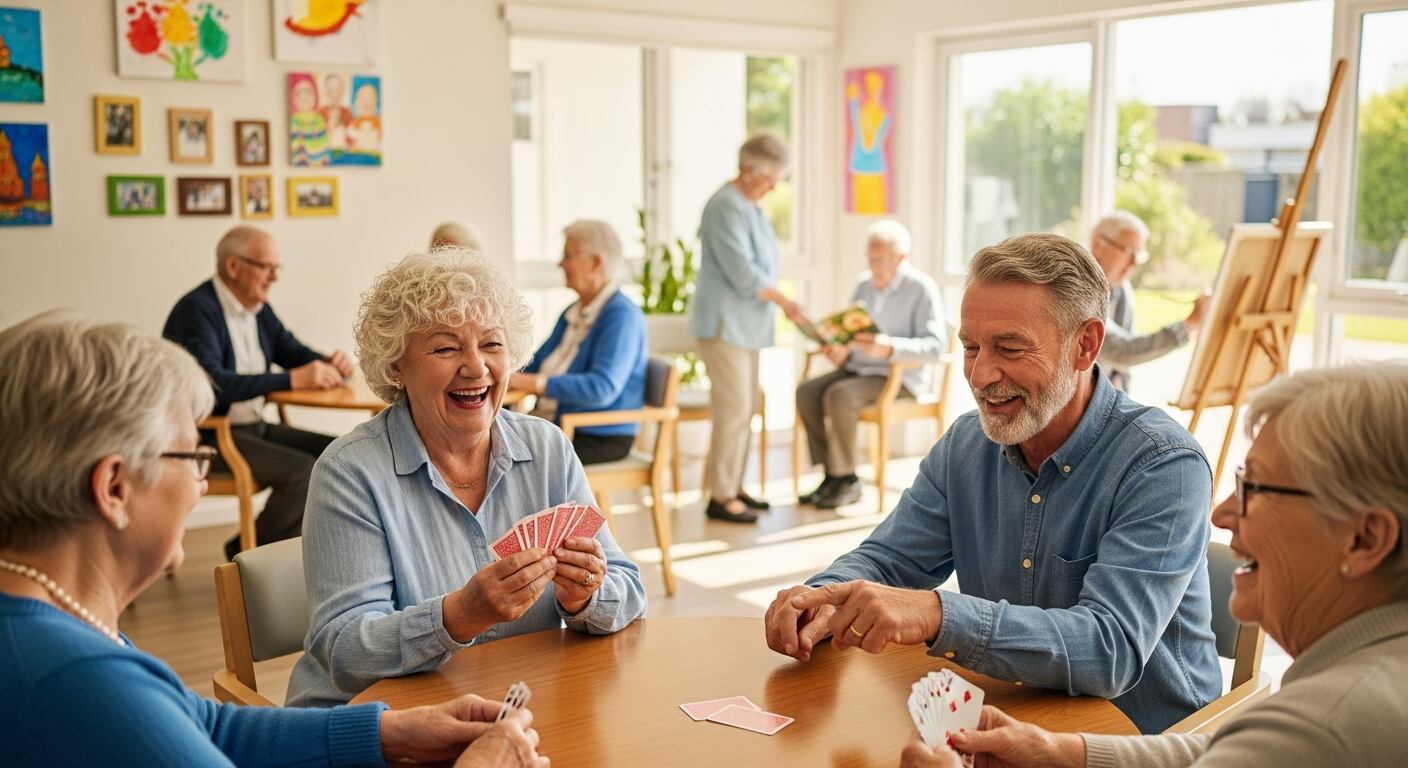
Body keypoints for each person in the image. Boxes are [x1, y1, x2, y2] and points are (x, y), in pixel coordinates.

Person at [0, 311, 548, 767]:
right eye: (194, 456)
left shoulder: (58, 625)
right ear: (114, 488)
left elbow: (205, 723)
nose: (199, 484)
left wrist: (389, 732)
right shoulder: (76, 680)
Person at [764, 233, 1220, 734]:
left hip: (1142, 744)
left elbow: (1108, 650)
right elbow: (887, 561)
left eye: (1009, 347)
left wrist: (939, 614)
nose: (980, 375)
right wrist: (822, 597)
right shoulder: (965, 445)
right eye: (970, 347)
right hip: (1010, 725)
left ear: (1086, 344)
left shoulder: (1163, 465)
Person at [903, 361, 1408, 768]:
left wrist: (943, 614)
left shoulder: (1327, 727)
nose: (1223, 513)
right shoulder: (1353, 690)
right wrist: (1068, 754)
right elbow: (1219, 752)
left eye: (1255, 487)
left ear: (1365, 539)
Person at [286, 248, 646, 708]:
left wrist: (585, 598)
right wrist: (459, 615)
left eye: (492, 345)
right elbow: (344, 650)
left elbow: (629, 587)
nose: (476, 368)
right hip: (375, 725)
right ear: (397, 366)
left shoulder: (548, 450)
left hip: (508, 710)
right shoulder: (350, 472)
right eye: (445, 347)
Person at [163, 225, 356, 561]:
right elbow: (213, 385)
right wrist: (291, 380)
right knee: (303, 472)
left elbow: (291, 350)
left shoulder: (257, 308)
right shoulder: (196, 310)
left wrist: (328, 361)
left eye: (276, 268)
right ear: (233, 267)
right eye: (266, 267)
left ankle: (308, 553)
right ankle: (248, 555)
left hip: (252, 426)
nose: (274, 277)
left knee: (339, 454)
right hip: (210, 434)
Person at [690, 132, 809, 524]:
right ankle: (720, 495)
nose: (773, 187)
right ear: (747, 169)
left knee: (746, 407)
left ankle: (732, 485)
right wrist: (785, 301)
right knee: (734, 410)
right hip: (725, 325)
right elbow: (742, 271)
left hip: (747, 326)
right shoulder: (724, 206)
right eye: (769, 178)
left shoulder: (752, 206)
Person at [796, 219, 946, 508]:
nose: (874, 266)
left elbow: (935, 346)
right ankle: (831, 475)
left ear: (901, 258)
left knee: (839, 395)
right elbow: (851, 332)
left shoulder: (921, 288)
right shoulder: (864, 284)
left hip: (896, 377)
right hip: (858, 369)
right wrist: (840, 349)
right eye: (871, 258)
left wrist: (890, 347)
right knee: (807, 392)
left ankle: (847, 479)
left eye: (881, 259)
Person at [510, 220, 646, 465]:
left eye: (568, 255)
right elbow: (534, 364)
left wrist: (535, 384)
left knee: (505, 456)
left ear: (595, 262)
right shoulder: (572, 313)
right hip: (558, 424)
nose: (560, 263)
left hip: (596, 434)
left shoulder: (621, 315)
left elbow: (602, 388)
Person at [1090, 211, 1209, 392]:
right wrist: (1188, 324)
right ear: (1098, 245)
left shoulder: (1121, 288)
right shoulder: (1080, 288)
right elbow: (1122, 351)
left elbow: (1122, 369)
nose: (1134, 263)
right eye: (1129, 251)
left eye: (1139, 254)